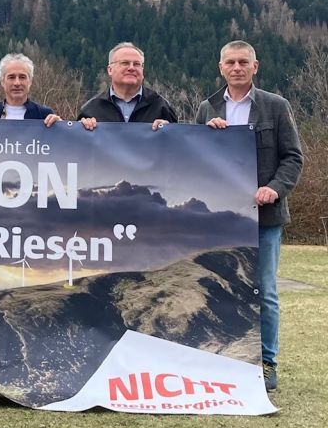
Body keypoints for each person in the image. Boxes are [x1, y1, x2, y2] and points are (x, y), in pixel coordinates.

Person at [196, 40, 303, 392]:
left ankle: (266, 362)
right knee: (221, 286)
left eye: (244, 62)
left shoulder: (276, 106)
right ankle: (227, 359)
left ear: (255, 66)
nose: (237, 67)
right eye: (231, 62)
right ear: (221, 67)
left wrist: (275, 188)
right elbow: (193, 159)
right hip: (221, 219)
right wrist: (206, 137)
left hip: (265, 218)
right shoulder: (206, 108)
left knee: (265, 291)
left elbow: (293, 158)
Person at [78, 42, 177, 131]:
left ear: (143, 70)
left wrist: (169, 131)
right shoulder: (91, 109)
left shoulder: (160, 106)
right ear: (110, 70)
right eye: (125, 63)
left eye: (137, 64)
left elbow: (178, 142)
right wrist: (81, 129)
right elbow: (78, 144)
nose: (131, 68)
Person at [0, 53, 61, 126]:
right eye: (11, 77)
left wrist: (61, 127)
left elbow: (62, 141)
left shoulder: (44, 116)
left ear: (30, 81)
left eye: (22, 77)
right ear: (2, 81)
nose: (17, 83)